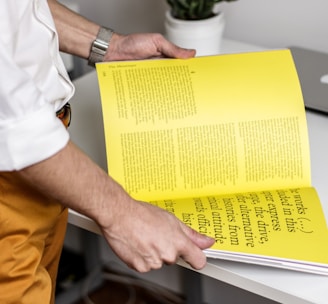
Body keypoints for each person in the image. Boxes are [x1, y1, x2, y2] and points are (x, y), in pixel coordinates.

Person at [0, 1, 215, 303]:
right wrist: (122, 213)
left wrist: (114, 46)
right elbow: (12, 122)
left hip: (50, 159)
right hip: (17, 170)